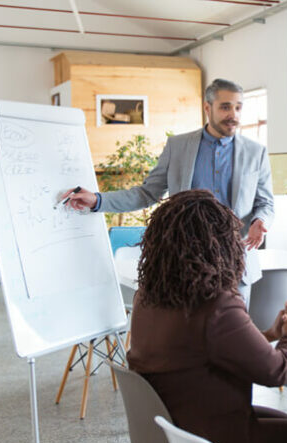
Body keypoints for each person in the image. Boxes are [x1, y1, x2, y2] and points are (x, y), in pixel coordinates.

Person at [127, 189, 287, 443]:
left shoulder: (146, 296)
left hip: (179, 427)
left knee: (286, 421)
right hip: (214, 441)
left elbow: (204, 347)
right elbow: (276, 372)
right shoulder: (214, 304)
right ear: (219, 244)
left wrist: (270, 334)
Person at [62, 78, 273, 304]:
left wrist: (261, 220)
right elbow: (147, 193)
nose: (233, 114)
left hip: (236, 265)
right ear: (207, 107)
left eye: (238, 107)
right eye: (225, 107)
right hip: (187, 263)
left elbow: (265, 203)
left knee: (232, 337)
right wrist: (97, 200)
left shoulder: (256, 152)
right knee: (187, 336)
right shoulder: (178, 146)